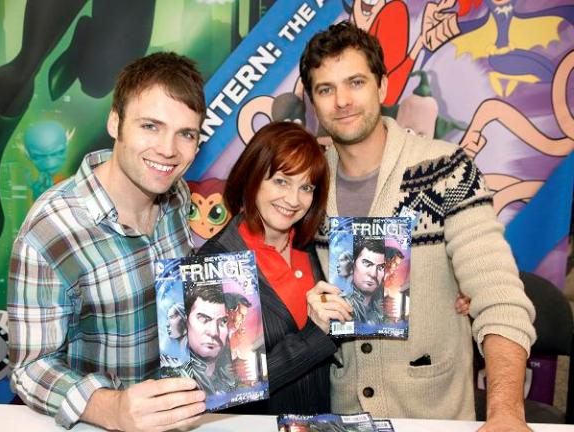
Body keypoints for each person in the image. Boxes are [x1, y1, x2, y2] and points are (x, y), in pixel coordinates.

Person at [299, 21, 536, 430]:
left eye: (355, 82)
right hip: (342, 417)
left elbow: (499, 296)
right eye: (325, 89)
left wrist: (506, 415)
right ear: (312, 102)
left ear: (383, 87)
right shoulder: (306, 185)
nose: (342, 101)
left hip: (434, 418)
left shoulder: (445, 169)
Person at [8, 52, 207, 431]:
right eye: (150, 125)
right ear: (115, 122)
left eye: (186, 134)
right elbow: (30, 367)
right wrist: (112, 408)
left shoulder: (177, 195)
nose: (168, 149)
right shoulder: (51, 230)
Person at [198, 121, 353, 414]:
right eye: (281, 181)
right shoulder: (214, 263)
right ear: (252, 177)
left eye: (306, 187)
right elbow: (224, 387)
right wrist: (315, 334)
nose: (294, 200)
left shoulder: (315, 247)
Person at [182, 283, 238, 395]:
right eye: (203, 319)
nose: (214, 332)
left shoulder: (234, 375)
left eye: (223, 321)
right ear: (186, 320)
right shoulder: (177, 372)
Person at [347, 238, 385, 325]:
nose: (373, 274)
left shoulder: (382, 310)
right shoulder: (341, 302)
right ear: (352, 264)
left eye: (381, 267)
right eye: (367, 263)